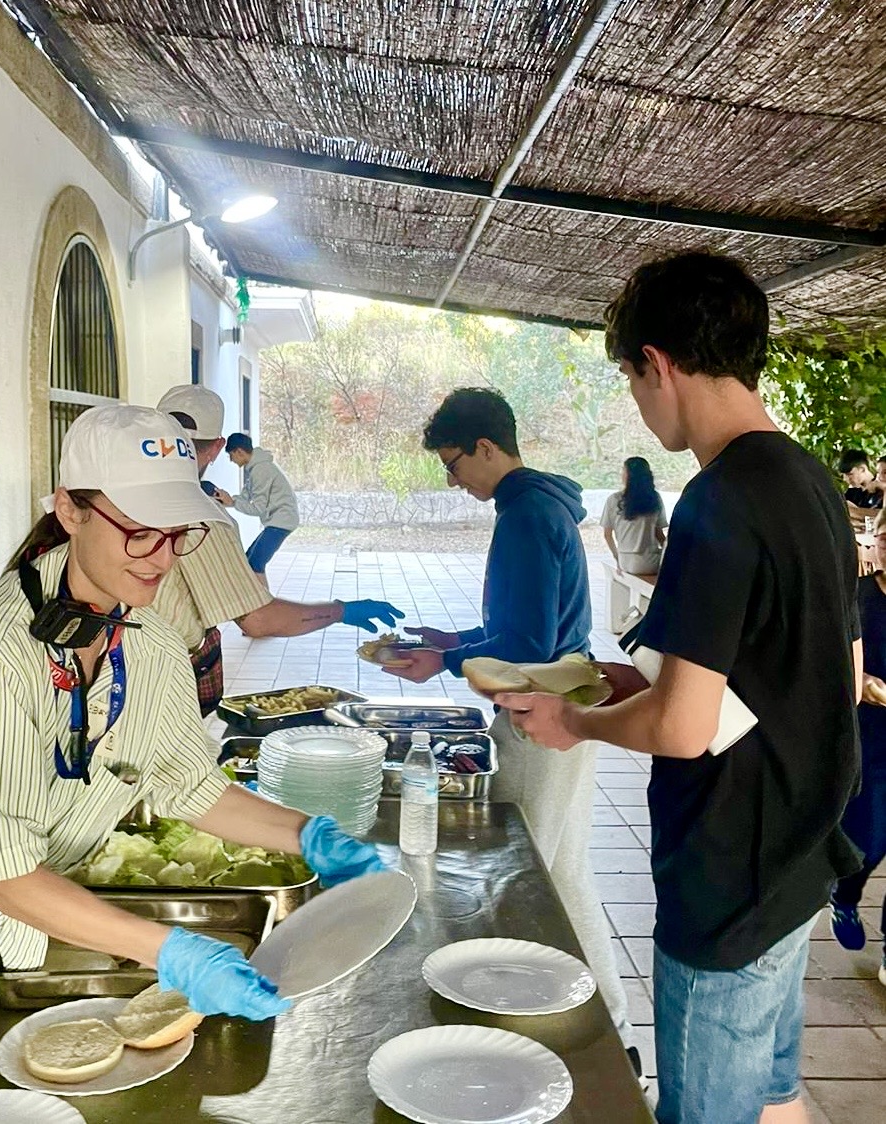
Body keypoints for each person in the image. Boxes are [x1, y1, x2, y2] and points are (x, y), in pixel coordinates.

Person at [0, 406, 383, 1124]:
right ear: (70, 510)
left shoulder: (149, 641)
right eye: (139, 530)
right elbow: (3, 870)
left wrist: (309, 837)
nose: (159, 557)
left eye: (177, 533)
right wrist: (172, 952)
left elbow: (188, 784)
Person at [500, 252, 861, 1124]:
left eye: (632, 379)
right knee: (773, 1096)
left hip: (729, 877)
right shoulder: (813, 482)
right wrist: (643, 684)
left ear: (657, 364)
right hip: (799, 856)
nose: (638, 399)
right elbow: (830, 674)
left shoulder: (718, 499)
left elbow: (684, 729)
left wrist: (575, 723)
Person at [379, 387, 631, 1049]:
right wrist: (455, 640)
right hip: (571, 699)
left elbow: (525, 645)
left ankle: (514, 1029)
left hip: (543, 713)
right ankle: (615, 1028)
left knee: (518, 879)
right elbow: (519, 626)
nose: (453, 480)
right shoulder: (542, 503)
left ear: (487, 447)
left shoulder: (525, 514)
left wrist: (442, 660)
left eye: (454, 463)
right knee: (563, 872)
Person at [154, 385, 403, 714]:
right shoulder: (204, 518)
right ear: (217, 447)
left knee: (255, 562)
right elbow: (258, 621)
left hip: (99, 670)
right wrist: (341, 611)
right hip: (160, 680)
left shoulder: (106, 498)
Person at [828, 505, 886, 986]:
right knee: (868, 838)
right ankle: (845, 896)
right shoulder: (857, 597)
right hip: (869, 737)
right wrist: (860, 680)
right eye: (885, 538)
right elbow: (832, 659)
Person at [214, 433, 299, 577]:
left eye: (231, 455)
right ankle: (256, 592)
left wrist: (233, 503)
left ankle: (261, 593)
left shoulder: (260, 470)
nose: (231, 460)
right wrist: (227, 500)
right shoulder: (255, 467)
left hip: (282, 521)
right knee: (249, 560)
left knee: (255, 564)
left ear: (239, 452)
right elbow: (245, 496)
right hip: (278, 521)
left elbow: (259, 509)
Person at [601, 456, 668, 575]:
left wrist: (617, 558)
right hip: (650, 563)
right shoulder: (654, 498)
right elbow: (659, 535)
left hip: (625, 562)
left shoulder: (613, 499)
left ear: (628, 475)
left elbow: (607, 535)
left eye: (623, 470)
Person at [838, 448, 883, 527]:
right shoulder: (852, 492)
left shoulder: (881, 490)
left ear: (862, 469)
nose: (845, 479)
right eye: (843, 475)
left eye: (850, 474)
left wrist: (853, 512)